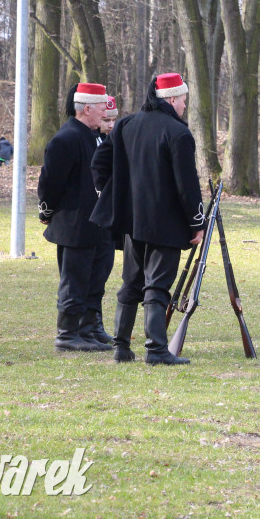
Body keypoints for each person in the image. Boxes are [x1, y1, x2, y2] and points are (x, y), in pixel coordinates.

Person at [91, 73, 204, 365]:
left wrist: (113, 193)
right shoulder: (178, 133)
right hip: (165, 223)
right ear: (170, 99)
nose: (183, 107)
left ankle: (121, 347)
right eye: (181, 101)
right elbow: (187, 185)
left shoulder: (127, 124)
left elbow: (100, 162)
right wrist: (196, 223)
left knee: (131, 282)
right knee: (156, 285)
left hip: (132, 221)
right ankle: (155, 350)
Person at [37, 82, 112, 352]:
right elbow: (50, 183)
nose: (106, 110)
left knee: (93, 278)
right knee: (74, 280)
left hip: (95, 223)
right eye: (102, 106)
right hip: (75, 223)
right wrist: (46, 210)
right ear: (87, 108)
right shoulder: (67, 138)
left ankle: (86, 329)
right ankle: (68, 334)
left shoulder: (92, 136)